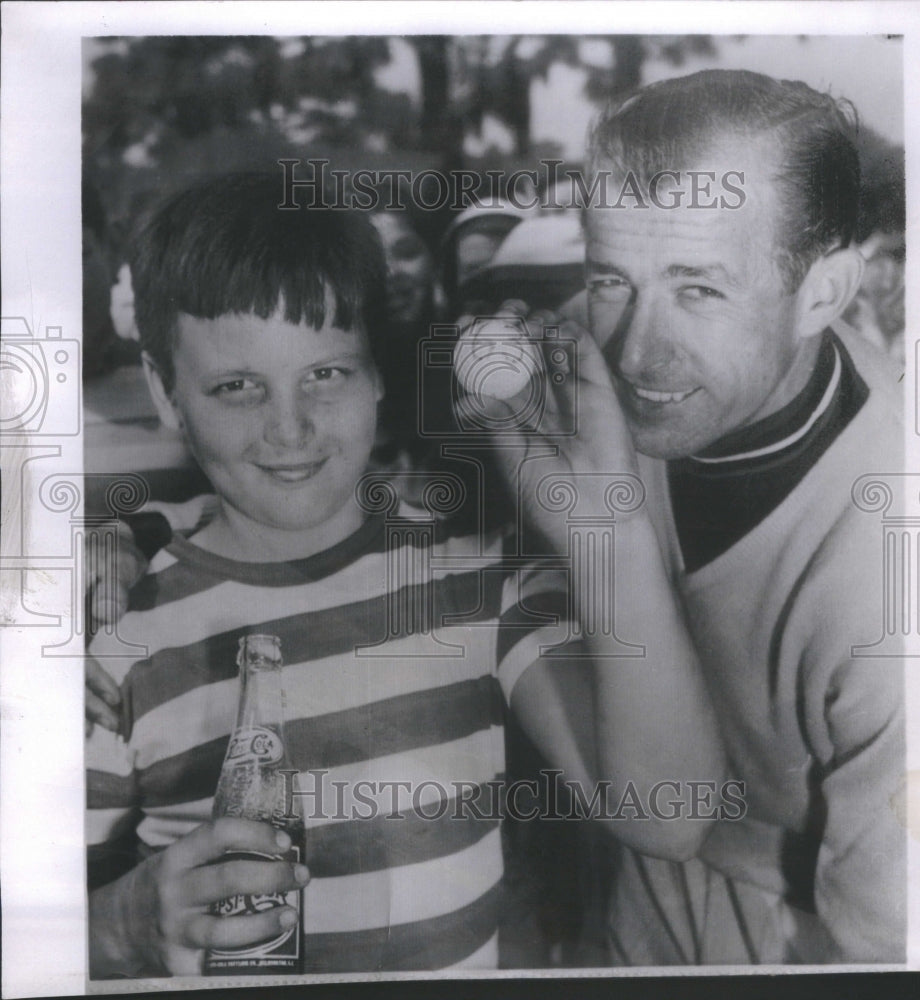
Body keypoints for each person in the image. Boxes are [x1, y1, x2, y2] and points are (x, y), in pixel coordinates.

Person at [85, 172, 724, 977]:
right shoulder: (113, 631)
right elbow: (42, 930)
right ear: (166, 394)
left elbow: (674, 819)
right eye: (237, 387)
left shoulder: (480, 583)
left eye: (326, 372)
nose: (291, 429)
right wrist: (114, 926)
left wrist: (611, 527)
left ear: (377, 372)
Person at [549, 69, 903, 963]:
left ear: (822, 294)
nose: (635, 349)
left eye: (698, 289)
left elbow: (896, 947)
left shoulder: (906, 572)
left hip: (808, 935)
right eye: (610, 281)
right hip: (629, 882)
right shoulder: (587, 377)